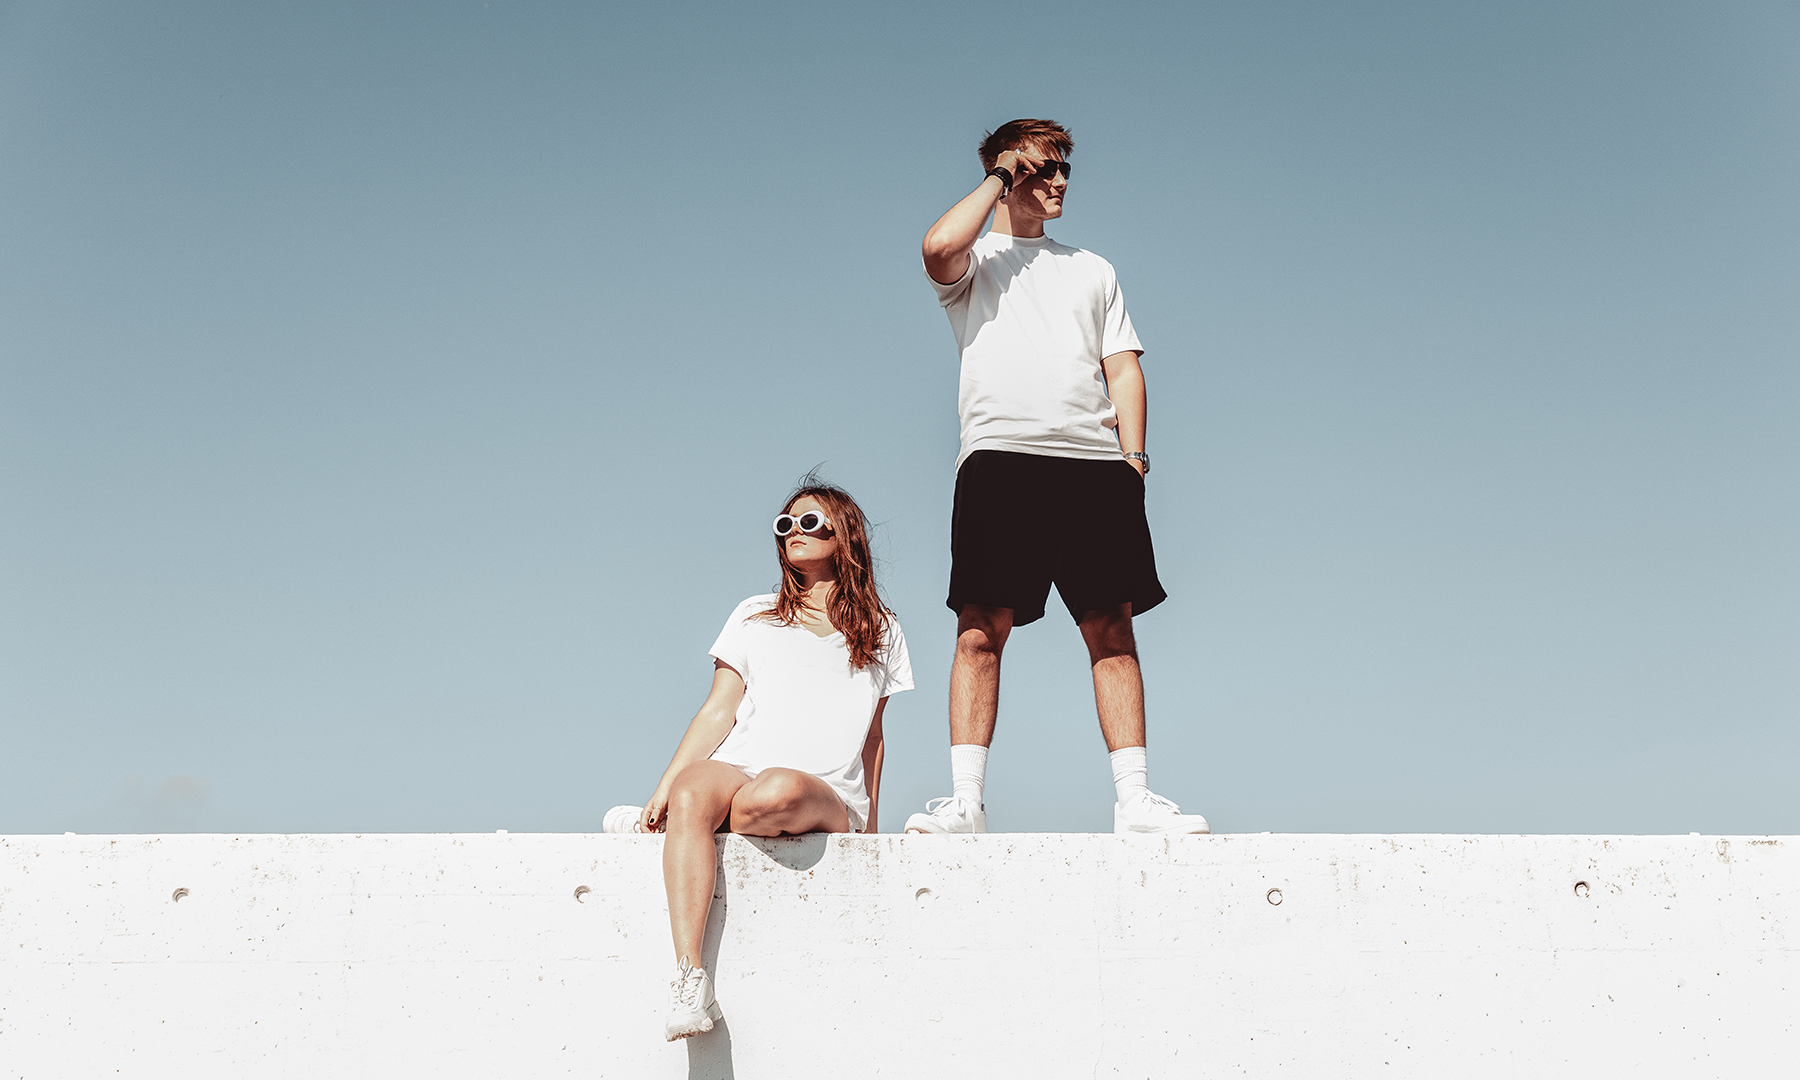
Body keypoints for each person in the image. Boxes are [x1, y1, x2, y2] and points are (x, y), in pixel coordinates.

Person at [903, 118, 1208, 837]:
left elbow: (1123, 368)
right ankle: (967, 804)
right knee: (980, 632)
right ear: (1007, 173)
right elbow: (937, 247)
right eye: (1043, 169)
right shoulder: (976, 261)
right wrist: (1000, 175)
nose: (1060, 181)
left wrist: (1133, 461)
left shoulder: (1093, 269)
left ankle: (1135, 802)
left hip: (1095, 467)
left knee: (1112, 629)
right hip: (1000, 459)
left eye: (1065, 167)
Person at [603, 481, 913, 1041]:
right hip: (740, 767)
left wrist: (871, 826)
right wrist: (665, 787)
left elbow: (874, 735)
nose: (794, 531)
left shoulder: (881, 627)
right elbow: (718, 710)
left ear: (844, 533)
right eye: (785, 524)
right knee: (694, 789)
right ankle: (690, 979)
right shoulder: (754, 614)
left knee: (777, 790)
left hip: (822, 790)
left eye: (810, 522)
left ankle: (682, 826)